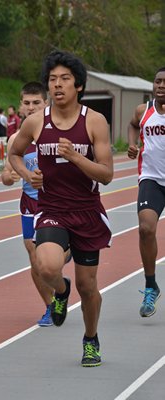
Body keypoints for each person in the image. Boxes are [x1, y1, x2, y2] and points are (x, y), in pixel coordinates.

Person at [9, 50, 113, 367]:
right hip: (52, 207)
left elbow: (107, 174)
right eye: (52, 80)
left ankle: (90, 338)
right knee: (47, 266)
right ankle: (60, 289)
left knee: (89, 286)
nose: (57, 85)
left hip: (87, 211)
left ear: (78, 85)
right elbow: (14, 153)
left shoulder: (94, 121)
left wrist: (77, 158)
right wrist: (28, 175)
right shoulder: (36, 121)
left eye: (64, 79)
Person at [2, 82, 54, 326]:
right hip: (30, 204)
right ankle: (51, 306)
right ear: (21, 105)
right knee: (34, 256)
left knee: (49, 262)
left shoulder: (58, 132)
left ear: (46, 103)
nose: (31, 107)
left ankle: (58, 264)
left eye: (37, 103)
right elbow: (5, 174)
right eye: (27, 103)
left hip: (57, 203)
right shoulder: (16, 138)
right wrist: (9, 176)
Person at [127, 67, 165, 318]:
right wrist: (132, 144)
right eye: (158, 81)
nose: (161, 85)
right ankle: (151, 284)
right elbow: (132, 125)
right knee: (146, 228)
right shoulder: (144, 111)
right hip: (151, 179)